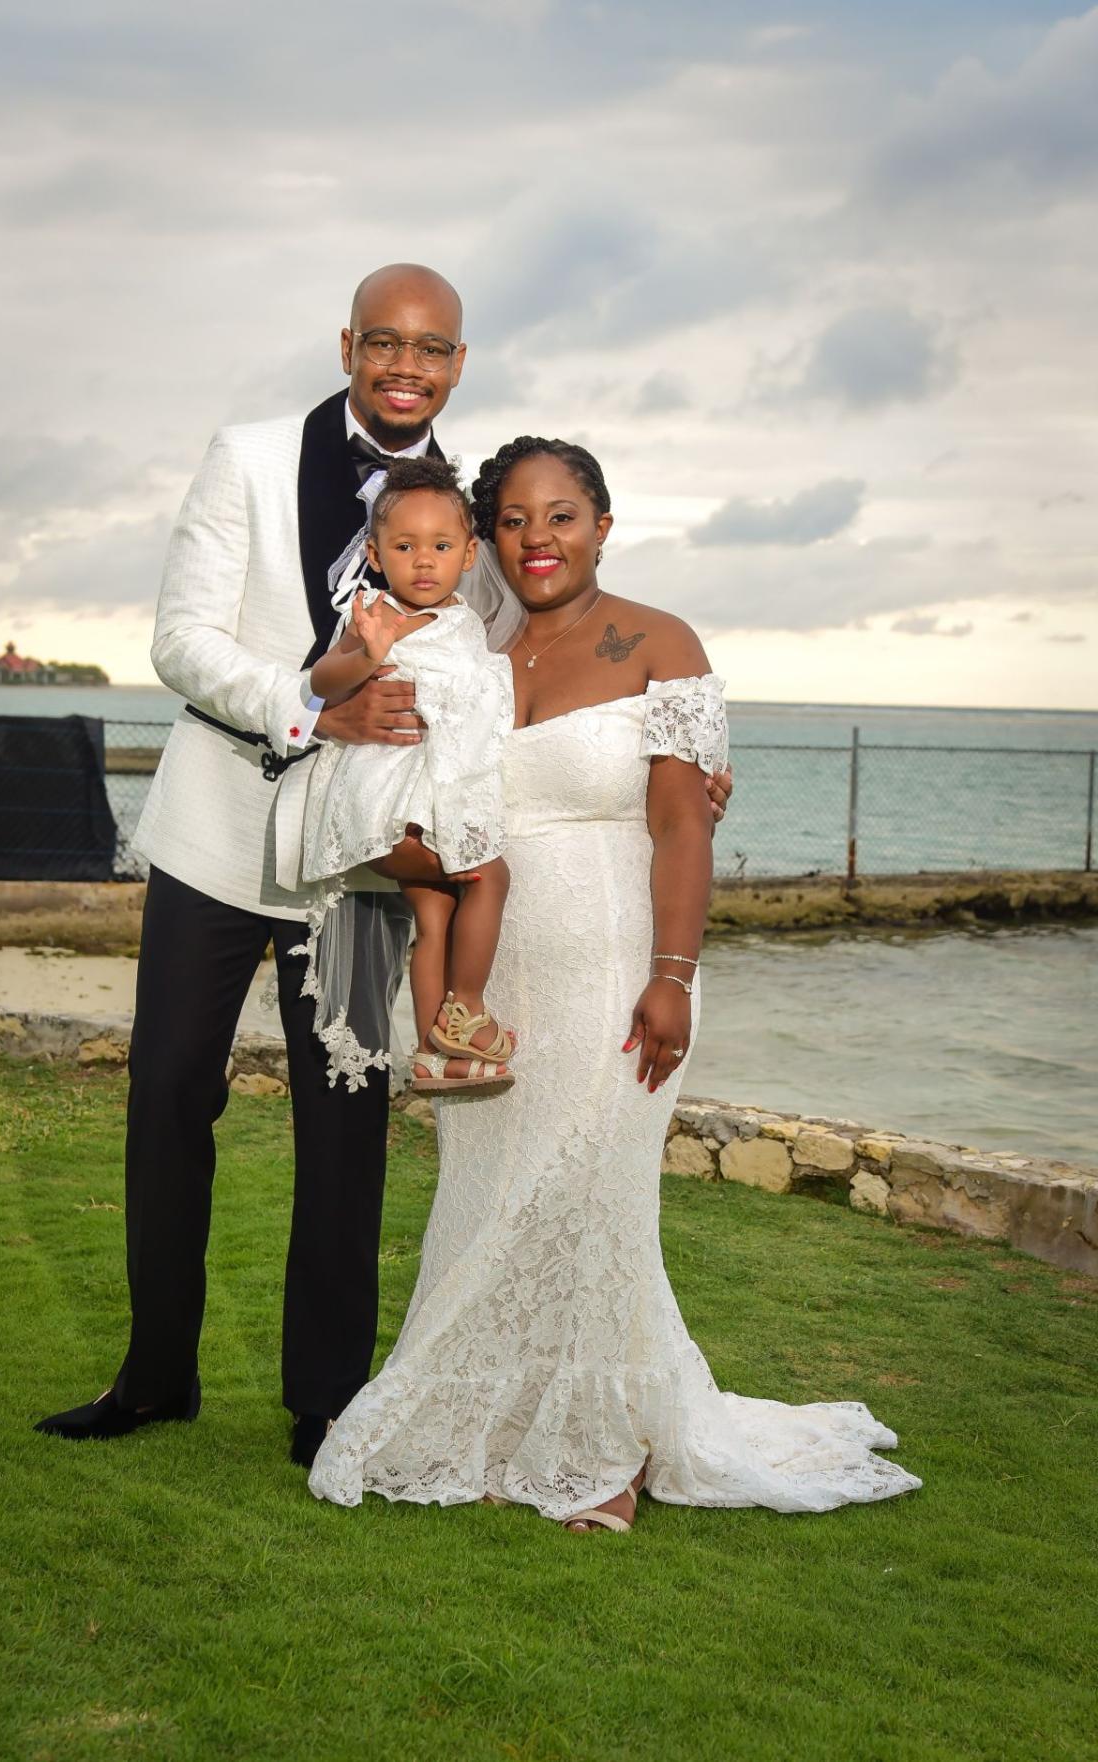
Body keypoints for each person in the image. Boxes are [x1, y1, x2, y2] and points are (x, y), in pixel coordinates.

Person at [32, 265, 734, 1467]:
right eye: (385, 342)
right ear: (350, 344)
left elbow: (523, 668)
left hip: (367, 862)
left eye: (434, 349)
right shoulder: (249, 456)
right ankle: (154, 1376)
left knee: (347, 1126)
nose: (407, 365)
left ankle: (325, 1402)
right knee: (167, 1100)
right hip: (219, 832)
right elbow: (180, 640)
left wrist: (682, 756)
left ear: (458, 364)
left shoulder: (471, 509)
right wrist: (310, 707)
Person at [309, 437, 921, 1530]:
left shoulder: (661, 642)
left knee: (594, 1193)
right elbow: (402, 786)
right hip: (492, 982)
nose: (538, 539)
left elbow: (684, 820)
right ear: (488, 537)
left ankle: (602, 1454)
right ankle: (508, 1423)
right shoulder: (467, 648)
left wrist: (673, 975)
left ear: (601, 521)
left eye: (563, 516)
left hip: (616, 959)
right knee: (494, 1195)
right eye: (514, 521)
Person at [304, 456, 516, 1094]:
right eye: (404, 546)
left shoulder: (462, 621)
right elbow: (320, 682)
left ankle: (432, 1054)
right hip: (389, 807)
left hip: (427, 805)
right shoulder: (376, 616)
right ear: (375, 553)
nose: (423, 561)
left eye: (441, 545)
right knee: (490, 874)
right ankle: (466, 1009)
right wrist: (364, 654)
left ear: (469, 553)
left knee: (436, 918)